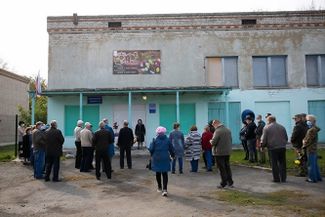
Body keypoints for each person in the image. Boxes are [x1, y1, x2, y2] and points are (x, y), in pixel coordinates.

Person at [149, 126, 175, 197]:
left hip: (157, 158)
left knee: (158, 173)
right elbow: (172, 149)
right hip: (165, 158)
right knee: (165, 174)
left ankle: (159, 187)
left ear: (157, 133)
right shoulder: (167, 140)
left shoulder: (155, 140)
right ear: (164, 132)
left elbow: (151, 149)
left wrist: (152, 153)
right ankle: (165, 190)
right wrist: (172, 155)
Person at [261, 116, 288, 183]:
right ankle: (283, 178)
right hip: (282, 147)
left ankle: (276, 178)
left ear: (269, 120)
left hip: (272, 148)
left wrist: (262, 146)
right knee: (282, 163)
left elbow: (264, 139)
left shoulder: (266, 128)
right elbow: (286, 137)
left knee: (274, 164)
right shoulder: (282, 127)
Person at [211, 119, 234, 188]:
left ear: (216, 124)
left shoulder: (217, 131)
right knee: (227, 167)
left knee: (221, 168)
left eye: (213, 125)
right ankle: (230, 182)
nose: (213, 126)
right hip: (227, 151)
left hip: (219, 152)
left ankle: (223, 183)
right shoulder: (228, 130)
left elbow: (213, 142)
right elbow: (230, 140)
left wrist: (210, 141)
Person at [303, 115, 322, 183]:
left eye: (308, 120)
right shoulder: (314, 129)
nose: (307, 121)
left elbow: (308, 140)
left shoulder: (311, 130)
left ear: (312, 121)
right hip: (314, 148)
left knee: (311, 164)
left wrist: (304, 142)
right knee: (315, 164)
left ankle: (312, 178)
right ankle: (318, 177)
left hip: (310, 149)